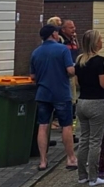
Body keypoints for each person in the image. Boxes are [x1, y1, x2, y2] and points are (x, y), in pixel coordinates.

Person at [30, 24, 78, 171]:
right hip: (61, 93)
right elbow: (70, 70)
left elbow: (32, 76)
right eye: (57, 33)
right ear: (53, 34)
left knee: (43, 126)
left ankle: (43, 161)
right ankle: (70, 158)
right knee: (66, 125)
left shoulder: (36, 53)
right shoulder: (62, 49)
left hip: (43, 93)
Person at [74, 29, 104, 186]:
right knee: (96, 141)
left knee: (84, 139)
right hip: (97, 103)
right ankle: (94, 177)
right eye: (100, 39)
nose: (102, 42)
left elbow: (77, 83)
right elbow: (103, 84)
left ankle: (82, 175)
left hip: (81, 103)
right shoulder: (100, 61)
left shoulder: (79, 60)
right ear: (96, 43)